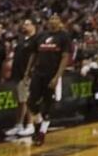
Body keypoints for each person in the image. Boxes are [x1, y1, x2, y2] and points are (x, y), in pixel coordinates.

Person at [23, 15, 71, 146]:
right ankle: (38, 124)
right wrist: (28, 70)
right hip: (38, 72)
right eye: (51, 18)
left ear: (60, 22)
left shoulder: (64, 36)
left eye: (56, 18)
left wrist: (57, 77)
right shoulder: (41, 35)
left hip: (53, 74)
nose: (53, 20)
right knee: (31, 101)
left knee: (48, 103)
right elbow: (33, 54)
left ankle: (42, 133)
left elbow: (65, 57)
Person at [5, 18, 37, 137]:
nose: (24, 26)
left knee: (28, 100)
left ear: (34, 26)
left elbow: (36, 58)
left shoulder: (36, 40)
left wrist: (30, 72)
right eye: (23, 24)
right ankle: (18, 125)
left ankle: (30, 125)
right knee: (20, 101)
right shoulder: (21, 39)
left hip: (29, 75)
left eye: (27, 24)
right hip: (19, 75)